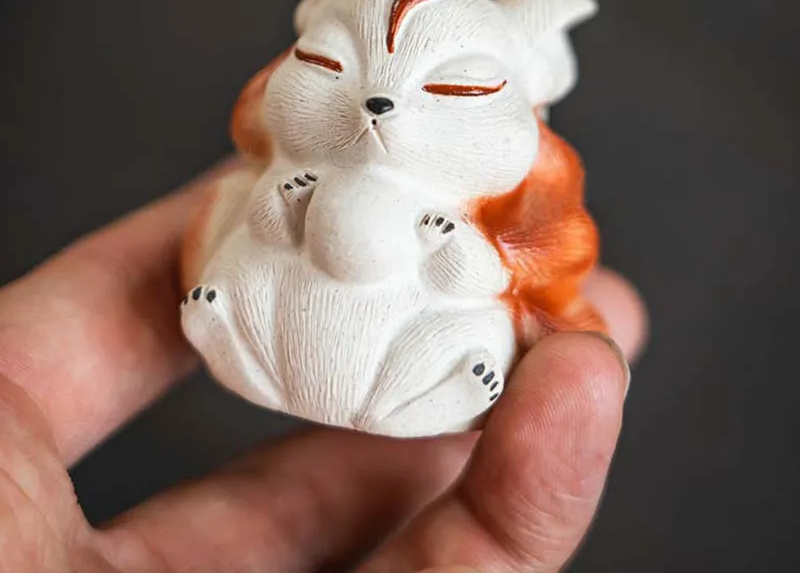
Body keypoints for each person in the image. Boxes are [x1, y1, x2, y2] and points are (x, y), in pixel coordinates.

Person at [0, 161, 647, 572]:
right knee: (244, 272)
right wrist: (283, 205)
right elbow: (262, 226)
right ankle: (226, 332)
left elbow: (482, 275)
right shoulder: (305, 164)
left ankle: (445, 390)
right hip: (275, 340)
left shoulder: (491, 190)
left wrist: (449, 245)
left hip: (407, 371)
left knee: (458, 341)